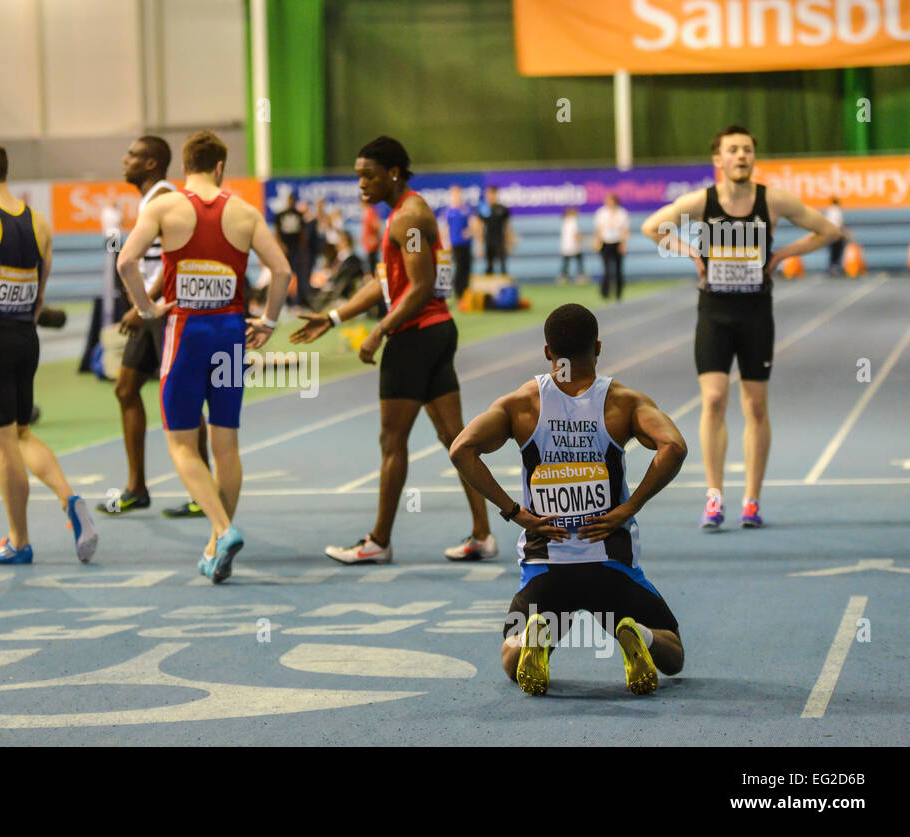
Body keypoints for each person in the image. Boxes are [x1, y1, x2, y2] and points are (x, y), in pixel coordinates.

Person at [449, 303, 687, 696]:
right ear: (597, 347)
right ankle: (638, 635)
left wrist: (514, 512)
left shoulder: (522, 404)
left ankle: (531, 640)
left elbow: (461, 450)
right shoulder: (622, 402)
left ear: (547, 352)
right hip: (610, 567)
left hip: (547, 569)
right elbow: (673, 447)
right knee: (673, 656)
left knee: (511, 660)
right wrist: (629, 507)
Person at [291, 136, 497, 565]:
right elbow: (388, 282)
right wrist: (333, 318)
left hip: (416, 337)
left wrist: (380, 330)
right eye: (358, 176)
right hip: (435, 332)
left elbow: (419, 288)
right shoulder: (407, 215)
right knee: (453, 439)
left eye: (368, 176)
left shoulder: (409, 219)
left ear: (394, 173)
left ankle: (378, 542)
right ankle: (483, 534)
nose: (361, 185)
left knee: (392, 440)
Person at [642, 125, 840, 529]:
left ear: (753, 157)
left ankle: (752, 498)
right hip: (713, 311)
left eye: (747, 149)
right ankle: (714, 496)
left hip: (755, 313)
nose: (741, 156)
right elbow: (653, 227)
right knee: (714, 399)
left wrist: (783, 253)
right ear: (719, 160)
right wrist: (691, 254)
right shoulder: (702, 202)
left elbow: (828, 231)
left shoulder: (772, 201)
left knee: (755, 405)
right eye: (733, 150)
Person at [115, 130, 291, 583]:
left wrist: (147, 309)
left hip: (185, 331)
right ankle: (215, 543)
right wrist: (268, 323)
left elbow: (126, 262)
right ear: (220, 167)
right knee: (226, 442)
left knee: (180, 443)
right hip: (231, 331)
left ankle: (223, 530)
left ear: (186, 169)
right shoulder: (245, 211)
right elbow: (283, 270)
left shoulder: (164, 206)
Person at [0, 141, 97, 565]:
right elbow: (41, 287)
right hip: (25, 338)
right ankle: (69, 499)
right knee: (22, 432)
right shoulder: (39, 222)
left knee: (1, 443)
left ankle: (18, 541)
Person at [103, 134, 205, 518]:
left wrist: (145, 302)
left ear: (150, 164)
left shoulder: (164, 199)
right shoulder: (150, 200)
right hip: (149, 315)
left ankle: (203, 489)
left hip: (164, 314)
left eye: (132, 155)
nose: (124, 159)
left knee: (185, 398)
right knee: (126, 388)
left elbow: (176, 259)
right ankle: (137, 489)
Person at [439, 186, 475, 299]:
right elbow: (445, 228)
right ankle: (458, 291)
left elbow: (475, 224)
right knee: (458, 267)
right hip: (455, 244)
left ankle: (465, 290)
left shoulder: (466, 210)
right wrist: (446, 243)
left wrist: (470, 232)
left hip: (466, 244)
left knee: (467, 267)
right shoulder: (448, 211)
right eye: (454, 194)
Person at [594, 193, 629, 301]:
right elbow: (599, 229)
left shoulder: (622, 213)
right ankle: (605, 293)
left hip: (617, 242)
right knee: (606, 270)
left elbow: (625, 230)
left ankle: (618, 293)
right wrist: (597, 242)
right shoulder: (601, 213)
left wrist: (623, 244)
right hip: (605, 243)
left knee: (618, 270)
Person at [274, 192, 306, 307]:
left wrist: (301, 248)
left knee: (297, 274)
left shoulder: (298, 215)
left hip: (296, 249)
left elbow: (302, 233)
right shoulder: (280, 215)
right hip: (285, 248)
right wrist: (281, 245)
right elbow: (277, 231)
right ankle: (285, 300)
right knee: (285, 273)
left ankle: (297, 299)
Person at [480, 185, 510, 275]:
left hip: (500, 240)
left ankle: (505, 288)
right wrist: (480, 245)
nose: (490, 196)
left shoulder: (503, 209)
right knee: (489, 266)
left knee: (503, 266)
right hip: (488, 241)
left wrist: (509, 242)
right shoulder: (483, 209)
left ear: (496, 194)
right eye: (488, 194)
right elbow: (480, 227)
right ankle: (489, 288)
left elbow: (507, 226)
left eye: (492, 194)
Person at [558, 206, 586, 284]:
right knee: (579, 261)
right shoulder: (573, 221)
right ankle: (581, 277)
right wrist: (581, 240)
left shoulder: (564, 222)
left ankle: (563, 278)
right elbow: (576, 234)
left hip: (566, 246)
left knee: (566, 263)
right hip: (574, 245)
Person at [823, 197, 846, 276]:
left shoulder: (830, 210)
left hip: (830, 233)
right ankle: (836, 268)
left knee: (832, 252)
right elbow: (839, 223)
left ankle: (831, 268)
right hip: (836, 234)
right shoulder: (837, 210)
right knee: (837, 252)